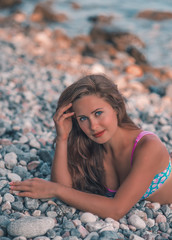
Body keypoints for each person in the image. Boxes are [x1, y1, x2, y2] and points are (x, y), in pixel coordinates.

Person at [10, 74, 172, 220]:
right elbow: (64, 186)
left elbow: (116, 210)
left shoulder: (148, 147)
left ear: (116, 107)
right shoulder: (90, 146)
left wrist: (55, 190)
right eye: (82, 118)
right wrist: (62, 138)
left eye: (98, 113)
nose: (93, 126)